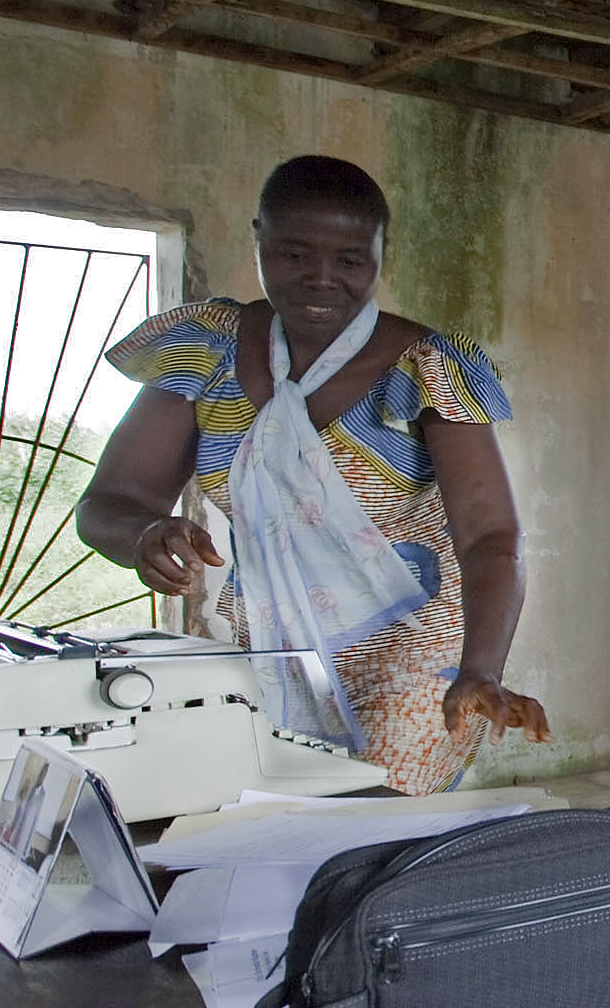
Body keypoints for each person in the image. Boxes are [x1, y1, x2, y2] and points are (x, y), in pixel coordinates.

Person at [76, 155, 549, 794]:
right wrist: (141, 536)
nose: (321, 280)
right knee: (262, 820)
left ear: (380, 253)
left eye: (351, 261)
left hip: (412, 652)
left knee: (373, 822)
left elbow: (491, 537)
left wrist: (482, 668)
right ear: (260, 241)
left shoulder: (425, 367)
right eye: (294, 255)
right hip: (272, 648)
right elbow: (111, 500)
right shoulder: (205, 352)